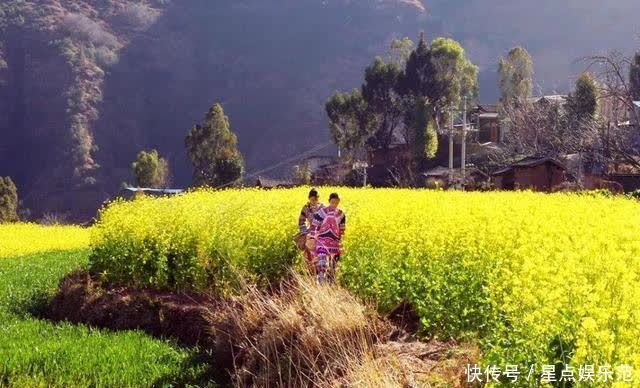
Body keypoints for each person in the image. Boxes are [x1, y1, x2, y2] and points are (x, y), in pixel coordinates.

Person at [308, 192, 345, 284]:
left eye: (336, 202)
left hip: (334, 243)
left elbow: (342, 228)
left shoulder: (341, 214)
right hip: (322, 241)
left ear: (339, 202)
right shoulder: (322, 212)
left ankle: (331, 283)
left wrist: (341, 241)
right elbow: (314, 225)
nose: (334, 204)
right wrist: (312, 238)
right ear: (329, 201)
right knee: (322, 262)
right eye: (332, 202)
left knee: (333, 264)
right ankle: (320, 283)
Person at [295, 188, 323, 273]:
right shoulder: (306, 208)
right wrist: (304, 232)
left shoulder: (323, 208)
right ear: (309, 198)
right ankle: (309, 270)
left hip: (321, 231)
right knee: (308, 250)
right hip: (310, 231)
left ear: (318, 199)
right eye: (312, 199)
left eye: (315, 199)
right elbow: (301, 220)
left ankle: (320, 269)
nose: (313, 201)